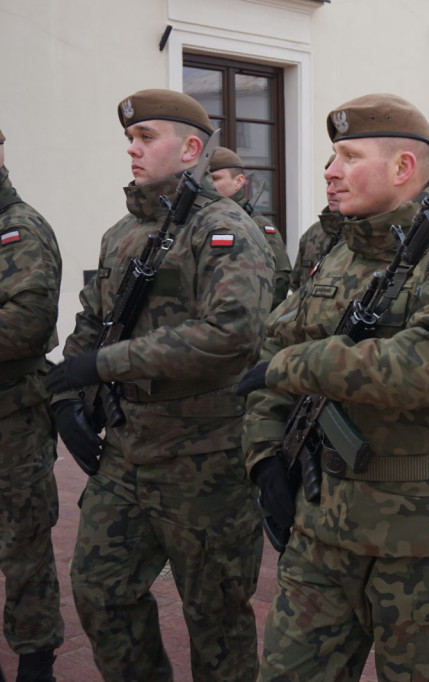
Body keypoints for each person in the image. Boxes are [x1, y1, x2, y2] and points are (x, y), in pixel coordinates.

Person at [238, 93, 429, 681]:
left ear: (402, 169)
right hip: (323, 531)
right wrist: (264, 459)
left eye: (348, 156)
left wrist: (300, 365)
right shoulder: (335, 254)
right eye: (332, 157)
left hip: (424, 543)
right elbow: (270, 353)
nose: (330, 171)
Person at [44, 89, 275, 681]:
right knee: (100, 592)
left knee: (216, 618)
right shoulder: (121, 232)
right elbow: (94, 319)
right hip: (127, 450)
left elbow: (232, 334)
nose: (132, 149)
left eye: (147, 138)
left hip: (204, 456)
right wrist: (69, 396)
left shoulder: (224, 230)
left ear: (191, 147)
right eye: (131, 138)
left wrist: (106, 365)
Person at [0, 127, 64, 682]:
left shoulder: (18, 229)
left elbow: (27, 323)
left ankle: (35, 659)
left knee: (22, 547)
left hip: (12, 420)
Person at [209, 146, 292, 308]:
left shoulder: (259, 227)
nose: (208, 185)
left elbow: (278, 283)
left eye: (215, 178)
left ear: (238, 182)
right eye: (205, 179)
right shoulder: (197, 221)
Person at [288, 154, 343, 292]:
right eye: (328, 183)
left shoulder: (370, 235)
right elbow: (296, 287)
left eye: (337, 183)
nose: (330, 191)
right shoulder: (313, 234)